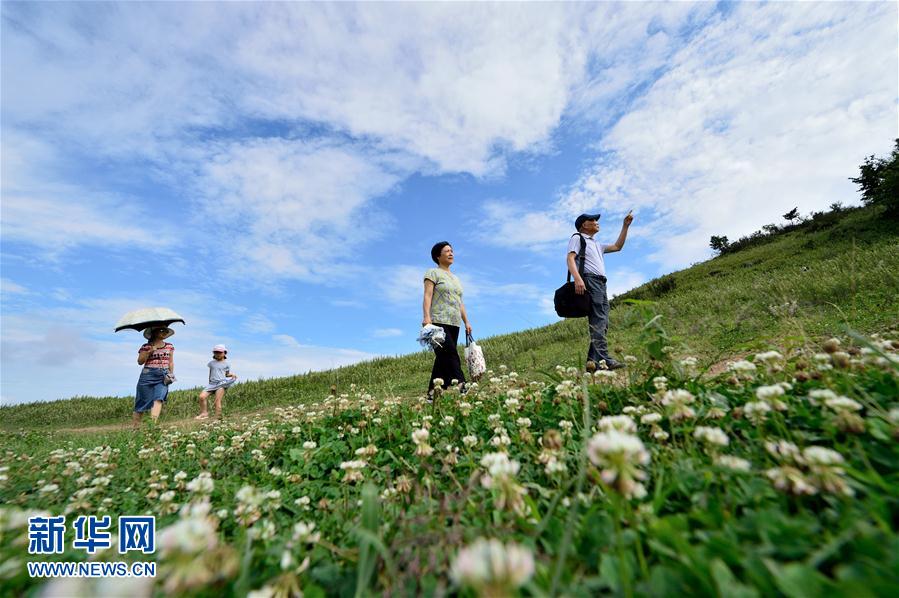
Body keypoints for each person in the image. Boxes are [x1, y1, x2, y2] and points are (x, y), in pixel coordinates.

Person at [567, 211, 634, 371]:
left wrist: (625, 226)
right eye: (593, 220)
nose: (597, 222)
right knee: (598, 319)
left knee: (602, 321)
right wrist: (578, 278)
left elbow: (618, 246)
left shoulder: (597, 244)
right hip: (590, 280)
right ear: (584, 224)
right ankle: (605, 360)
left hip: (601, 283)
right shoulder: (578, 238)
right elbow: (570, 258)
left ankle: (593, 363)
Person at [422, 241, 472, 398]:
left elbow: (460, 302)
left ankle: (433, 393)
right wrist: (426, 317)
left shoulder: (456, 278)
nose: (451, 253)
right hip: (438, 321)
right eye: (447, 251)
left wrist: (466, 321)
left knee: (442, 358)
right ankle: (462, 383)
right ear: (438, 256)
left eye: (452, 251)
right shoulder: (432, 273)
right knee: (450, 353)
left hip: (454, 322)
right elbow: (427, 295)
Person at [134, 327, 175, 426]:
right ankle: (135, 428)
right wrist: (149, 352)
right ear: (154, 332)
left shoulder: (169, 346)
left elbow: (171, 362)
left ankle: (152, 426)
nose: (164, 332)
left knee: (159, 398)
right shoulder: (146, 346)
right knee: (142, 402)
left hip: (163, 374)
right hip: (147, 374)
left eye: (166, 330)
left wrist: (171, 374)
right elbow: (140, 361)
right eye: (162, 330)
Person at [196, 344, 238, 420]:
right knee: (201, 397)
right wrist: (209, 383)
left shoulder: (227, 364)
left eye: (220, 352)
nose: (217, 354)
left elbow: (226, 374)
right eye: (216, 352)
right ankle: (204, 413)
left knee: (217, 400)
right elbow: (210, 373)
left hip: (221, 383)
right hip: (212, 384)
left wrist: (232, 375)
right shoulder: (211, 363)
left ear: (224, 353)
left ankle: (218, 417)